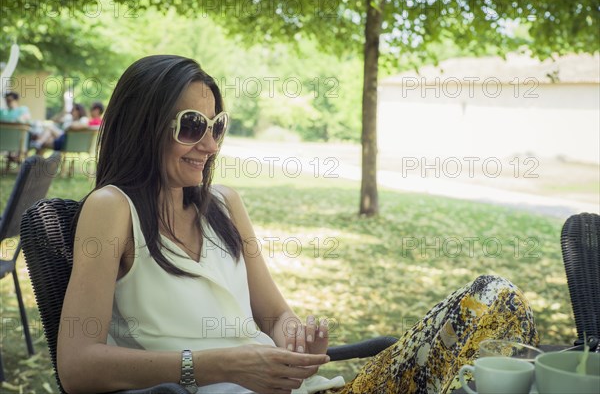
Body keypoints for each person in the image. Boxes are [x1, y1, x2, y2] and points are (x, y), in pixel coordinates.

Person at [58, 55, 539, 394]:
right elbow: (78, 366)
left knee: (496, 305)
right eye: (191, 126)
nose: (210, 145)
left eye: (217, 125)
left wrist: (294, 338)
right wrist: (218, 365)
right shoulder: (112, 208)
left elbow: (274, 315)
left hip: (308, 387)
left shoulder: (224, 204)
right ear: (145, 124)